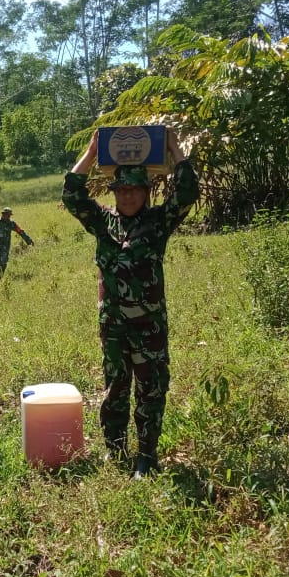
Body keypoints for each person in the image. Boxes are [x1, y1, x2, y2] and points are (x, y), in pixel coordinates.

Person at [62, 128, 198, 479]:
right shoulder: (104, 222)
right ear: (115, 192)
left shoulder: (157, 222)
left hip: (149, 326)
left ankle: (147, 457)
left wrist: (173, 147)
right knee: (116, 389)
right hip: (115, 327)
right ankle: (116, 449)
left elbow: (186, 193)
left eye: (135, 190)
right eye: (122, 190)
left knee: (151, 390)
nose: (128, 196)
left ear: (145, 191)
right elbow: (72, 196)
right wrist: (92, 152)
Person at [0, 207, 33, 279]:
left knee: (3, 262)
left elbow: (20, 231)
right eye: (7, 215)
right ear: (3, 214)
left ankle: (0, 278)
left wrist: (28, 240)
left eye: (9, 215)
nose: (8, 217)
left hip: (5, 246)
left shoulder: (11, 223)